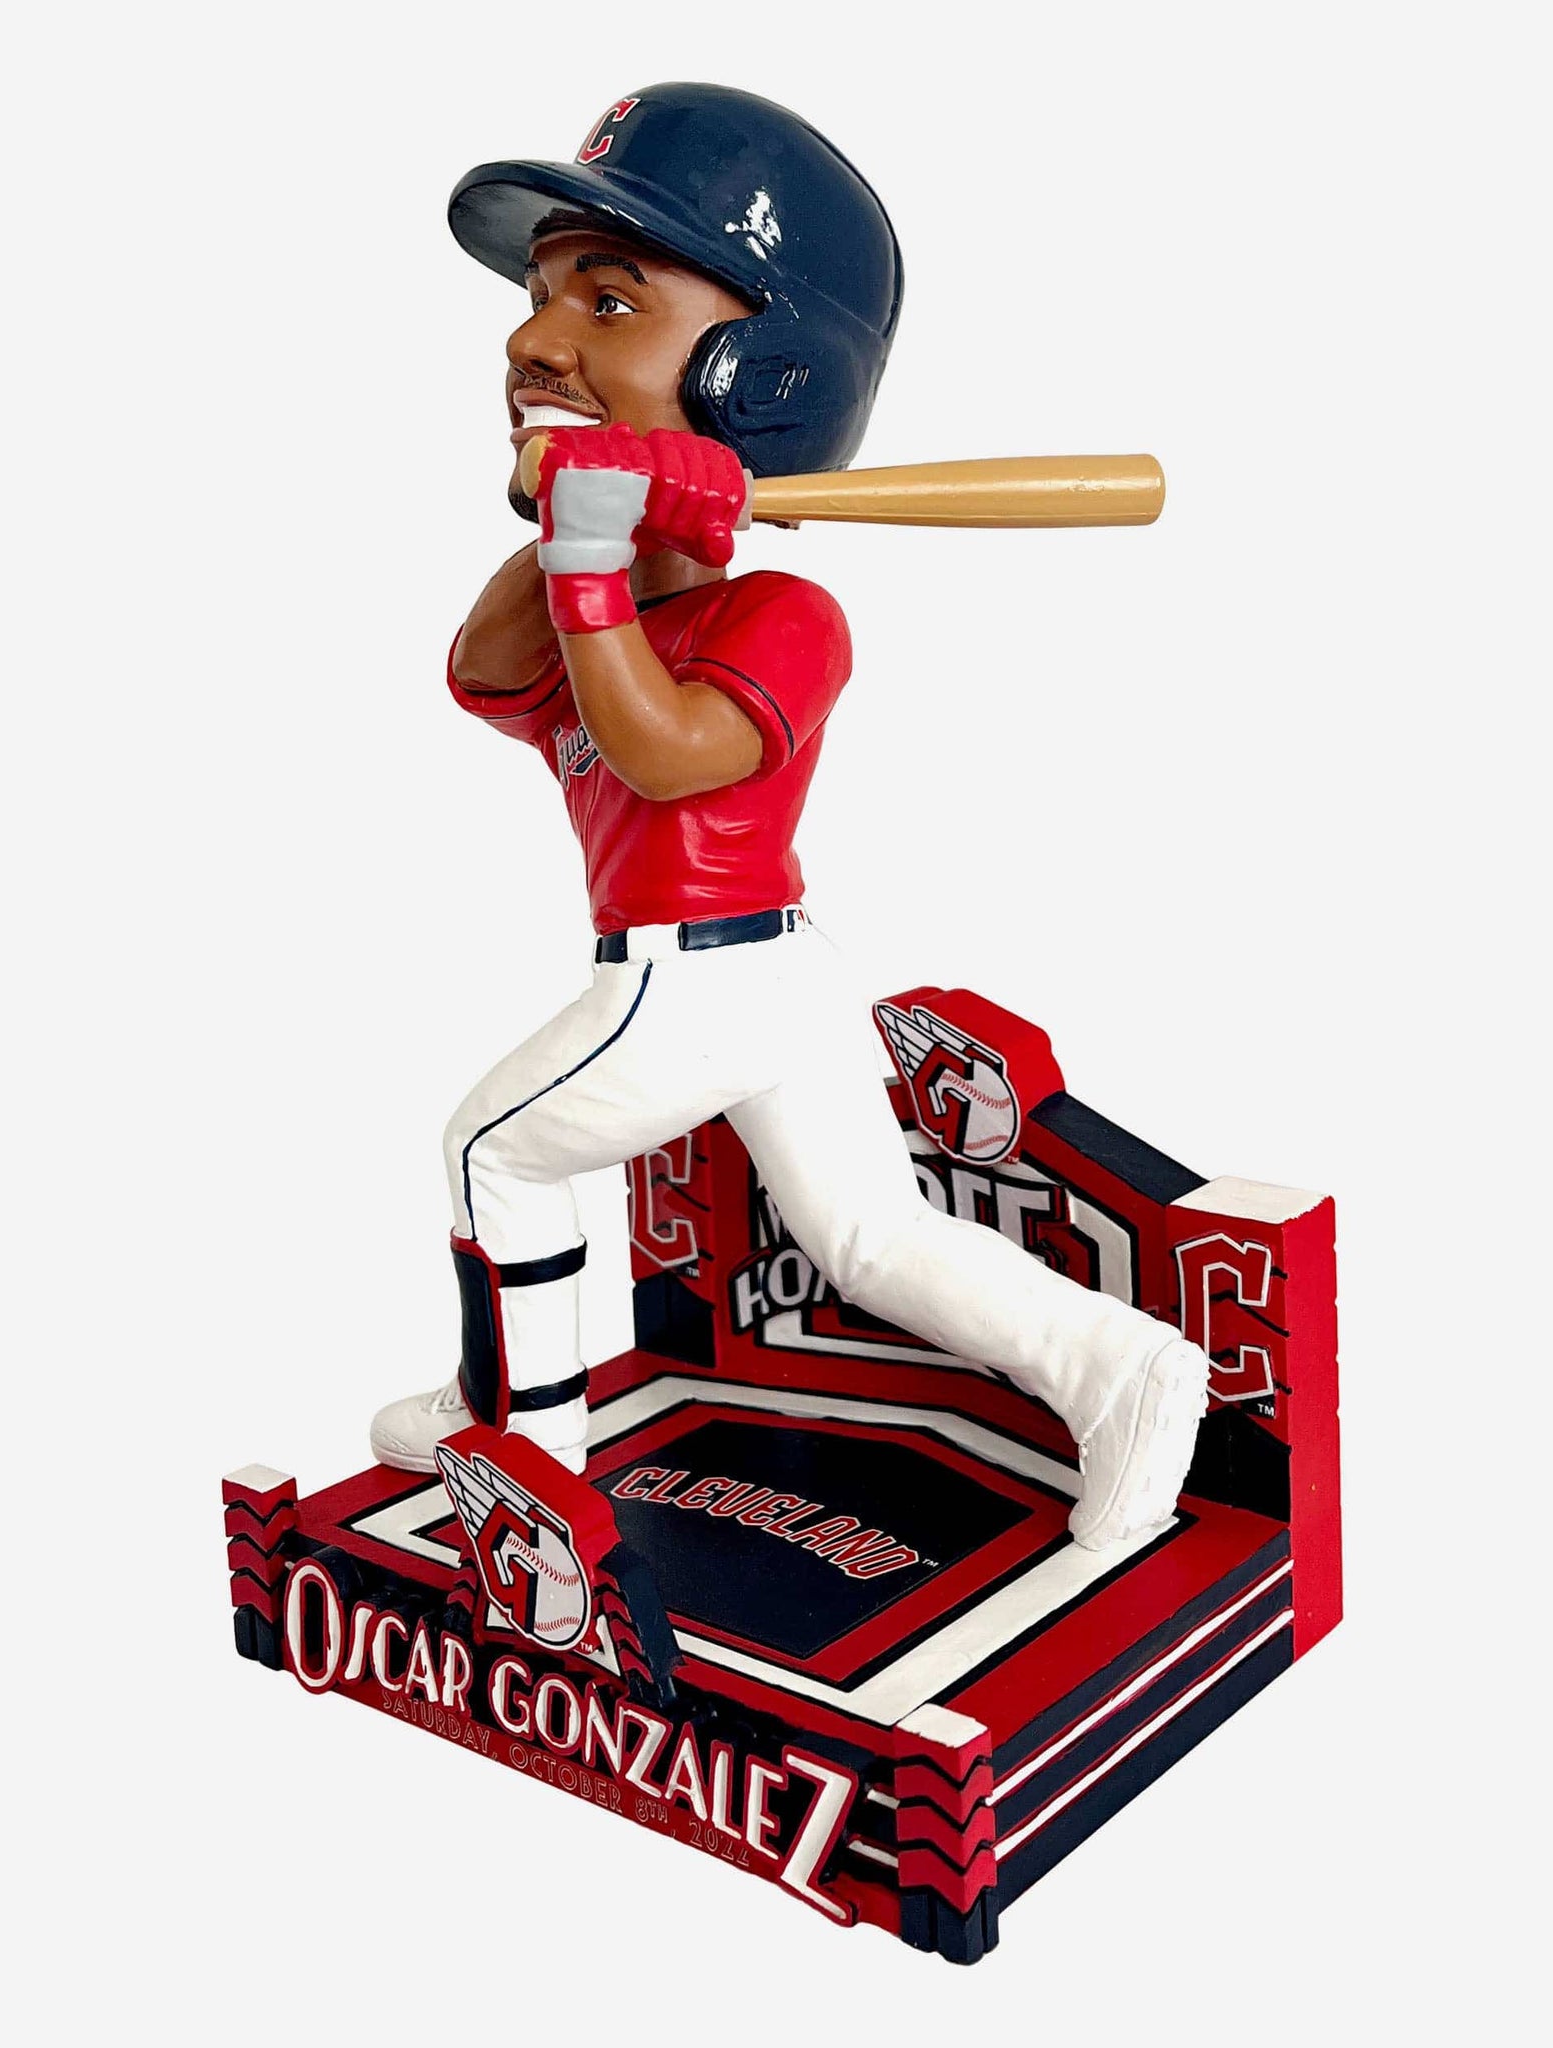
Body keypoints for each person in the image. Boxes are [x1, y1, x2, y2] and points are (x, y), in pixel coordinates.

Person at [370, 84, 1208, 1548]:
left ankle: (523, 1440)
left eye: (609, 301)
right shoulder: (597, 609)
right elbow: (480, 674)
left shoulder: (787, 613)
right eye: (540, 296)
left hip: (702, 978)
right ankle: (1120, 1369)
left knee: (493, 1151)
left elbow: (667, 760)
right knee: (868, 1237)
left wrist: (593, 550)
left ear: (755, 376)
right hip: (761, 979)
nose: (533, 340)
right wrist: (599, 526)